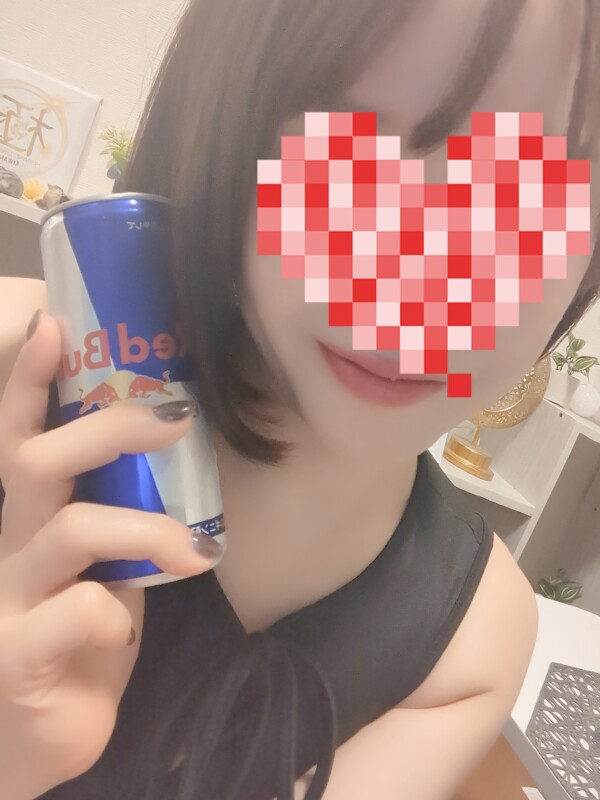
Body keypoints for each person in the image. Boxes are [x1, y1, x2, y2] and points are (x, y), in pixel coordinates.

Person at [1, 1, 599, 798]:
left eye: (522, 203)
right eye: (351, 158)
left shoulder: (471, 646)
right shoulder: (14, 355)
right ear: (226, 122)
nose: (414, 299)